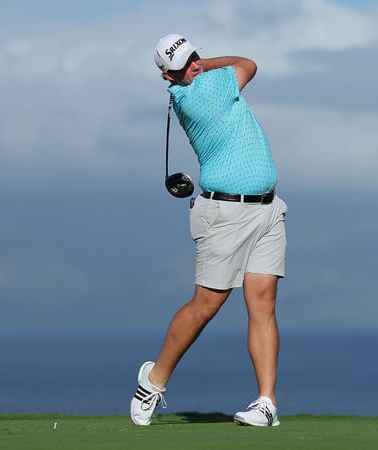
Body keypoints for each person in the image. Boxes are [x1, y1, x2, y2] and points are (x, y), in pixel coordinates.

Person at [130, 34, 287, 427]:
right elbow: (248, 63)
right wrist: (206, 66)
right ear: (169, 75)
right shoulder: (199, 93)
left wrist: (195, 64)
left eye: (195, 56)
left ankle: (266, 403)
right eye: (186, 65)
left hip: (268, 209)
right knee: (207, 305)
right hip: (224, 214)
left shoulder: (195, 82)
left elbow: (242, 67)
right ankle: (154, 380)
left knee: (263, 303)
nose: (196, 65)